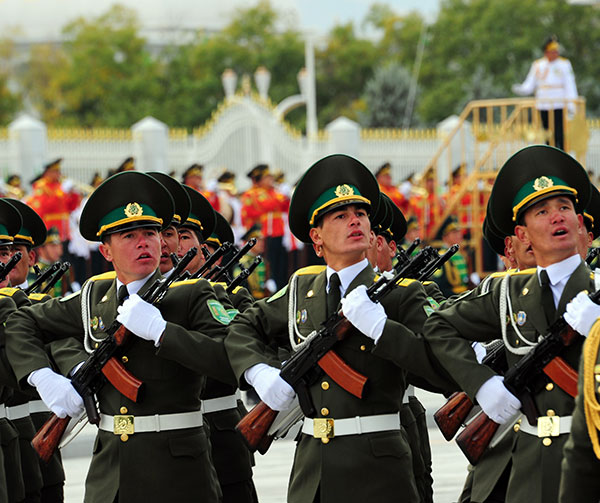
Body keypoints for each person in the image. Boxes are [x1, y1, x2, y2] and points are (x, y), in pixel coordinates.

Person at [226, 154, 456, 503]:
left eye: (361, 214)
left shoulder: (399, 295)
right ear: (316, 238)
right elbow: (243, 326)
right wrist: (259, 373)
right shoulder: (302, 291)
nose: (355, 222)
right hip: (313, 472)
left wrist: (382, 329)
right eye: (341, 215)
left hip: (379, 470)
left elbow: (441, 369)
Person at [4, 171, 237, 503]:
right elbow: (22, 323)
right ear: (106, 252)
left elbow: (230, 358)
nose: (143, 242)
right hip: (110, 475)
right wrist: (44, 377)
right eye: (128, 235)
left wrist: (163, 331)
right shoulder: (94, 296)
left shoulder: (192, 295)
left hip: (179, 474)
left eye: (150, 233)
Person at [424, 144, 592, 503]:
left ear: (580, 221)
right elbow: (438, 326)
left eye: (565, 207)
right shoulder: (509, 292)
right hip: (529, 467)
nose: (558, 217)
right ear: (523, 234)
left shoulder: (596, 291)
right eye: (543, 211)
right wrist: (482, 386)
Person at [512, 35, 578, 151]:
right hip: (543, 104)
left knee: (559, 133)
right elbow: (530, 84)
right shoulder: (538, 65)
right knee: (547, 133)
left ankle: (561, 155)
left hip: (558, 103)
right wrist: (521, 89)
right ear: (546, 52)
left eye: (555, 51)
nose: (554, 54)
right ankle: (550, 154)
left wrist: (572, 104)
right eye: (551, 51)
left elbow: (570, 85)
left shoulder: (564, 64)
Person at [27, 159, 81, 244]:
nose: (59, 174)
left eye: (59, 171)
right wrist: (62, 192)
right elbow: (45, 207)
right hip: (51, 229)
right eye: (55, 171)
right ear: (48, 172)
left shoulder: (60, 185)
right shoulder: (41, 186)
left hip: (65, 229)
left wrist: (74, 194)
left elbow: (71, 208)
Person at [432, 216, 469, 298]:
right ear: (445, 237)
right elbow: (439, 284)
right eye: (454, 233)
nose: (458, 235)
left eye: (459, 232)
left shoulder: (459, 254)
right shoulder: (442, 256)